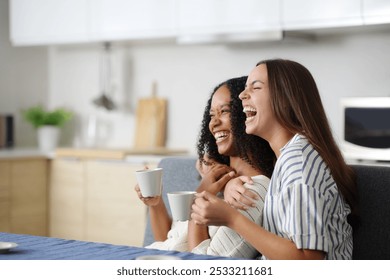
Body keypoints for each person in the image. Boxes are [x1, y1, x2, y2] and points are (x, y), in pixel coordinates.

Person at [191, 59, 359, 260]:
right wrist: (226, 182)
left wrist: (232, 219)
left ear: (285, 99)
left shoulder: (299, 162)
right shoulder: (287, 159)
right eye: (245, 89)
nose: (243, 95)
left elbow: (308, 260)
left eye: (256, 87)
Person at [135, 76, 275, 258]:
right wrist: (155, 204)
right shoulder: (217, 181)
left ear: (247, 114)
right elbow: (170, 242)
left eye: (224, 111)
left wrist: (200, 196)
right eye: (211, 115)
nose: (213, 123)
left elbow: (203, 263)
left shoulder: (251, 192)